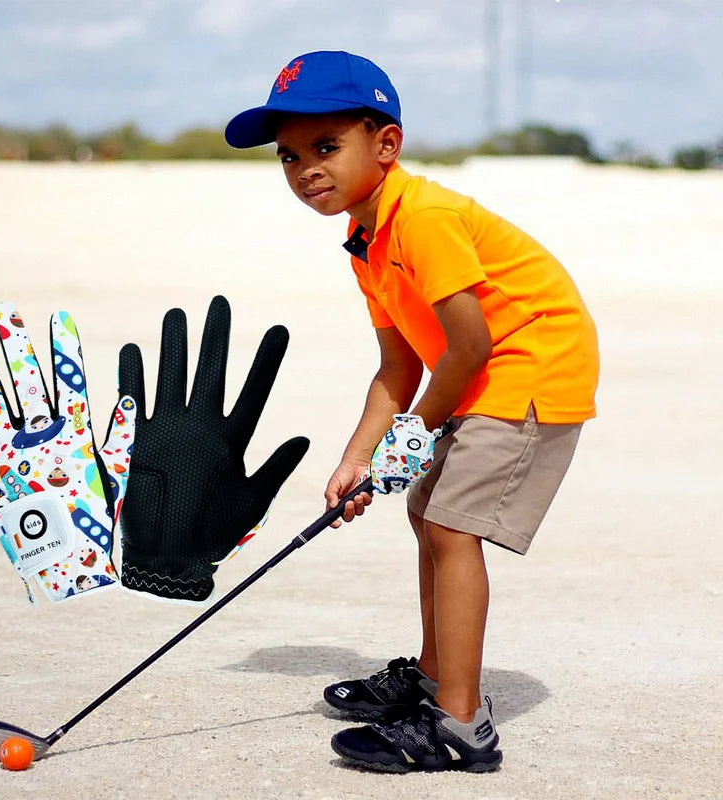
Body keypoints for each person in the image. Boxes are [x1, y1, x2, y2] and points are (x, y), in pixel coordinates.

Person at [225, 50, 599, 774]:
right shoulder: (367, 241)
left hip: (530, 366)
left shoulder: (422, 218)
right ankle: (433, 678)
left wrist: (409, 439)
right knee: (425, 512)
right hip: (483, 370)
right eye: (290, 155)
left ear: (385, 144)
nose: (305, 169)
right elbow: (400, 366)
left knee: (454, 523)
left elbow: (469, 342)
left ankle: (460, 724)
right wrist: (359, 457)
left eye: (326, 147)